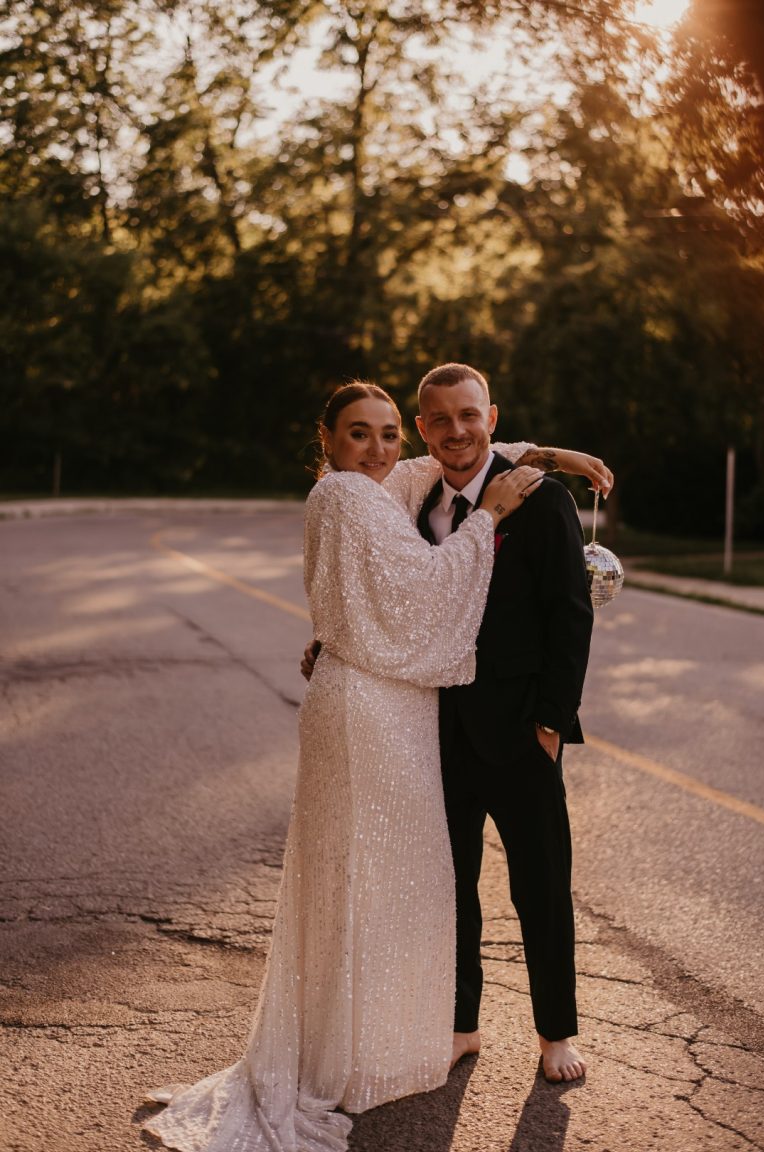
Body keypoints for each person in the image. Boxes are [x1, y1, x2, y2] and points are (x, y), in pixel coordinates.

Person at [142, 381, 547, 1152]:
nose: (381, 448)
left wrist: (547, 454)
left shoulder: (365, 488)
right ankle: (354, 1059)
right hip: (371, 708)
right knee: (372, 873)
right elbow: (423, 587)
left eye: (390, 433)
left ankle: (358, 1045)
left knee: (365, 874)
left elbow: (443, 461)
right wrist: (491, 515)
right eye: (360, 433)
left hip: (366, 696)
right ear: (324, 437)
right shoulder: (348, 500)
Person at [414, 362, 597, 1084]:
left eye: (469, 414)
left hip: (523, 730)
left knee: (542, 887)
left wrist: (551, 725)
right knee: (450, 885)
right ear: (423, 427)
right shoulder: (417, 502)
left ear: (492, 417)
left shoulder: (544, 500)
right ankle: (462, 1025)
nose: (456, 430)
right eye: (439, 419)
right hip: (439, 729)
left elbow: (570, 615)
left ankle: (556, 1032)